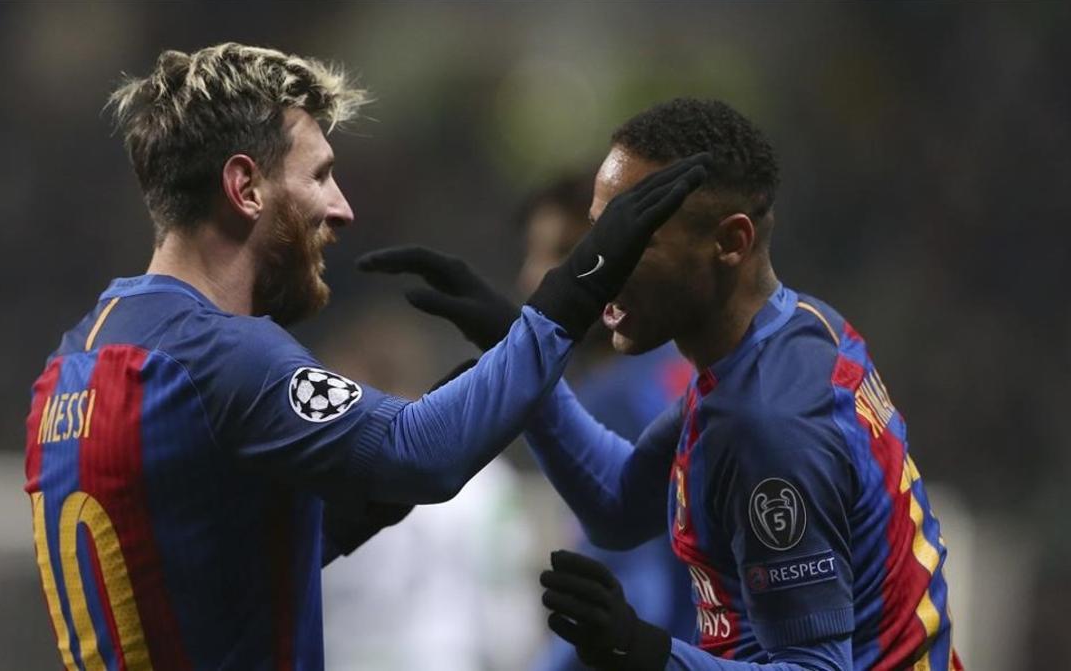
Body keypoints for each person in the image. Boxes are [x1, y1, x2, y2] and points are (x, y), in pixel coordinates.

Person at [22, 43, 708, 669]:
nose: (341, 207)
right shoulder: (219, 353)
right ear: (245, 187)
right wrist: (582, 277)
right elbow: (423, 454)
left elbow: (217, 564)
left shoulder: (74, 361)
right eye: (319, 174)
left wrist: (380, 488)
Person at [361, 98, 960, 670]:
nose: (601, 265)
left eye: (634, 238)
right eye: (601, 233)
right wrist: (516, 351)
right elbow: (620, 505)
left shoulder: (769, 422)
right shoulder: (784, 336)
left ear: (731, 242)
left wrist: (643, 651)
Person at [516, 174, 696, 671]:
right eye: (532, 254)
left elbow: (630, 598)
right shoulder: (683, 371)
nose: (533, 279)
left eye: (558, 254)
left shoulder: (612, 397)